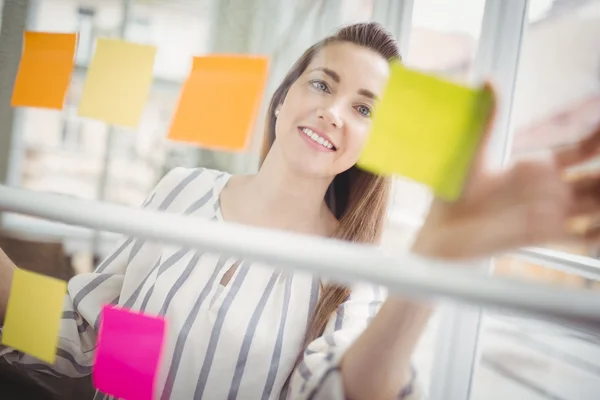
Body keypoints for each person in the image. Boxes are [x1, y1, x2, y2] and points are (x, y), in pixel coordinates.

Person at [1, 22, 600, 400]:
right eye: (322, 84)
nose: (335, 111)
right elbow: (85, 338)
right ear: (285, 95)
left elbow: (345, 393)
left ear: (375, 143)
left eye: (365, 109)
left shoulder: (352, 271)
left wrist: (434, 261)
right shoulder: (181, 190)